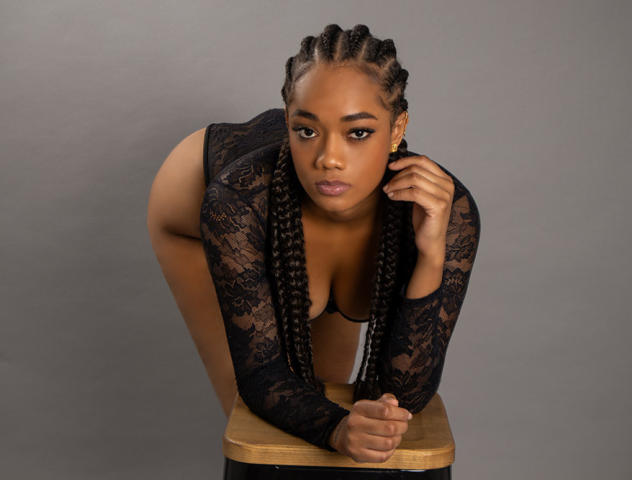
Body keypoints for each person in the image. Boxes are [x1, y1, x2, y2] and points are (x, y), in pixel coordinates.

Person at [147, 23, 480, 464]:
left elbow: (402, 395)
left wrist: (431, 254)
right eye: (306, 130)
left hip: (306, 222)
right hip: (196, 213)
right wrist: (335, 429)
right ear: (289, 122)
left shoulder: (444, 210)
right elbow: (262, 378)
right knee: (273, 433)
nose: (329, 159)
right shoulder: (237, 201)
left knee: (348, 423)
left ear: (397, 127)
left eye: (358, 132)